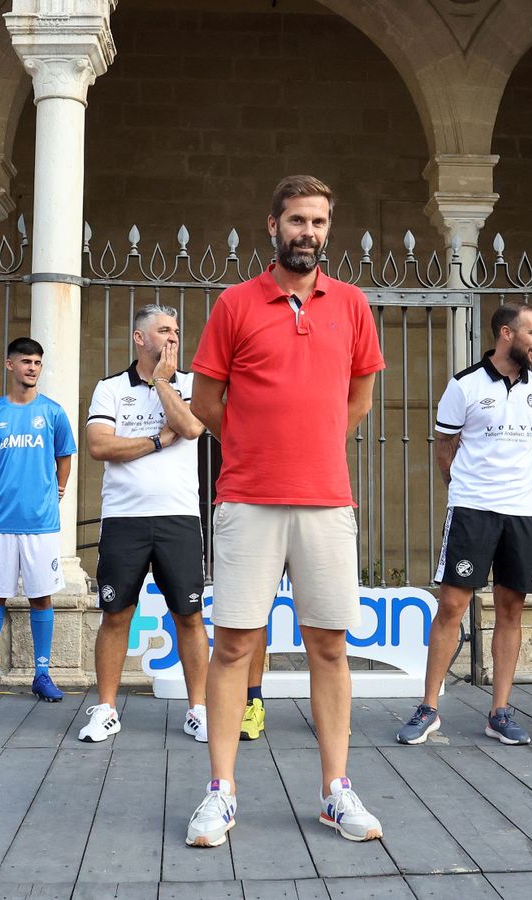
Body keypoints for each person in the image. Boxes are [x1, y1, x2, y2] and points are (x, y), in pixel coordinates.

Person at [183, 175, 385, 847]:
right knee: (235, 643)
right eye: (297, 219)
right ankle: (220, 792)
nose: (309, 231)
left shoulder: (352, 304)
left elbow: (360, 397)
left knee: (329, 645)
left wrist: (314, 443)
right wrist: (253, 441)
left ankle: (336, 790)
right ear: (272, 226)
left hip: (327, 499)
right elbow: (207, 400)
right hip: (246, 497)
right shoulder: (236, 304)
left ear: (329, 229)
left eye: (319, 221)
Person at [397, 302, 532, 747]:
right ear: (506, 334)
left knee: (511, 610)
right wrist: (465, 489)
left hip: (522, 513)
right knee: (451, 606)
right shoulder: (463, 385)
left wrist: (512, 487)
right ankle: (429, 707)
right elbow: (444, 447)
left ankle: (499, 711)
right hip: (471, 510)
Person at [79, 305, 210, 742]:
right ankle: (105, 710)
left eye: (176, 330)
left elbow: (190, 426)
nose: (173, 338)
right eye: (163, 331)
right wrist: (156, 440)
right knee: (116, 614)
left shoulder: (189, 383)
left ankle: (199, 709)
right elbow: (99, 445)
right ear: (139, 338)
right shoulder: (110, 388)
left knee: (189, 615)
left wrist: (161, 382)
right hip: (124, 520)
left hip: (179, 518)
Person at [0, 337, 77, 703]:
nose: (32, 368)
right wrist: (6, 488)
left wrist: (59, 487)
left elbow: (65, 455)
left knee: (42, 597)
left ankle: (42, 673)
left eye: (37, 362)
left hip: (40, 523)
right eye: (25, 361)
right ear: (9, 365)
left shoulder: (53, 412)